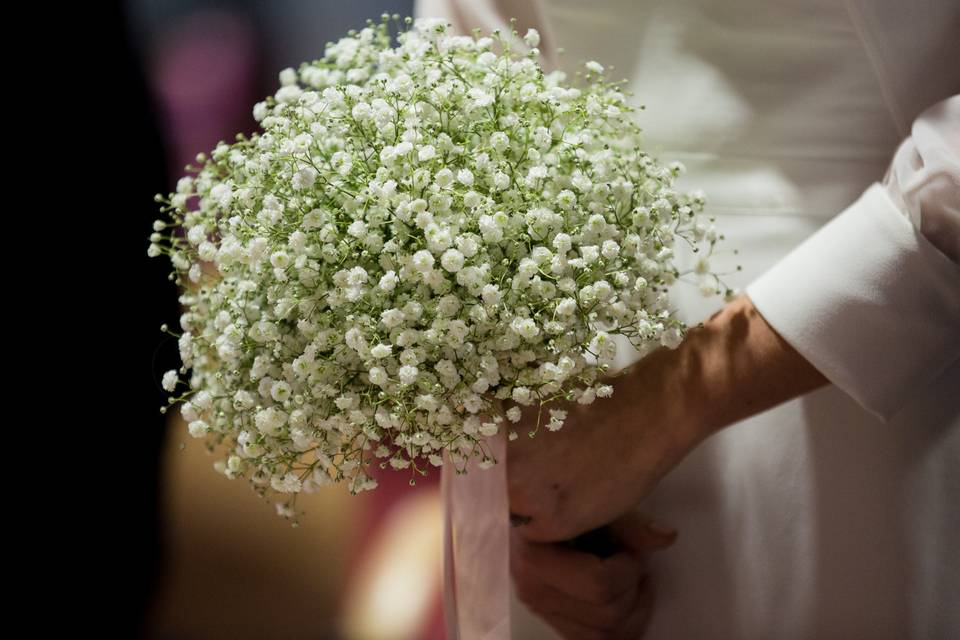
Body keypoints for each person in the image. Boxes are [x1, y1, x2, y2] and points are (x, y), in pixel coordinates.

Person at [416, 0, 960, 638]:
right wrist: (515, 486)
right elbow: (467, 75)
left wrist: (667, 405)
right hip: (571, 398)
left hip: (847, 369)